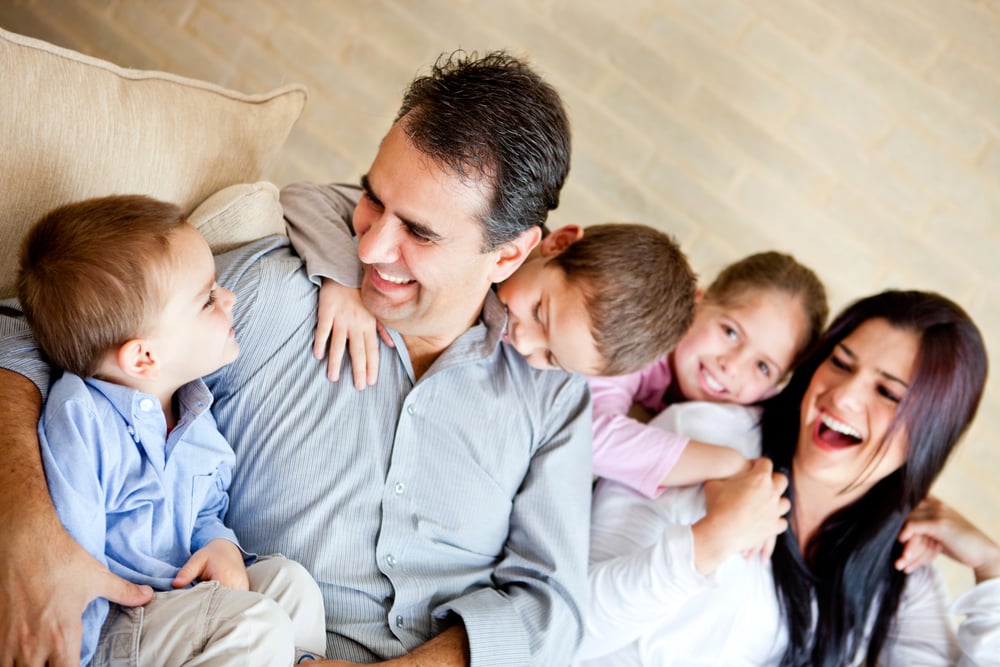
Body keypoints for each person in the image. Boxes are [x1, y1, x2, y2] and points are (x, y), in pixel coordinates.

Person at [0, 50, 591, 667]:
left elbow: (552, 604)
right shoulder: (268, 296)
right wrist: (28, 530)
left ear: (507, 255)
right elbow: (25, 328)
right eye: (371, 197)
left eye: (418, 232)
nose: (371, 244)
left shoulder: (550, 395)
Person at [576, 290, 1000, 666]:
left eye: (887, 393)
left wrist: (993, 567)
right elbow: (563, 626)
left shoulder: (899, 557)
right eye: (840, 363)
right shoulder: (705, 436)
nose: (843, 396)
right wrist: (710, 540)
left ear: (931, 434)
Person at [16, 195, 327, 665]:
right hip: (113, 622)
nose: (230, 298)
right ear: (144, 357)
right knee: (255, 628)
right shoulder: (82, 419)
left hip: (175, 599)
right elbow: (66, 560)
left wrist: (217, 543)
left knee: (291, 583)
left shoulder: (196, 414)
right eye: (208, 298)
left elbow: (205, 508)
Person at [290, 218, 697, 381]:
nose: (524, 342)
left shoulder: (533, 386)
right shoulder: (474, 231)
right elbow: (309, 199)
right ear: (558, 243)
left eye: (551, 358)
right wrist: (343, 281)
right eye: (540, 312)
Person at [588, 251, 828, 498]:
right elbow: (587, 435)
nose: (732, 366)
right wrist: (726, 464)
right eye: (731, 332)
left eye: (763, 367)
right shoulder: (640, 332)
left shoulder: (759, 412)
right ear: (696, 303)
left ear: (773, 386)